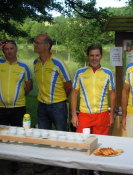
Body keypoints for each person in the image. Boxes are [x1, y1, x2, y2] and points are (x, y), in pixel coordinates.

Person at [33, 34, 72, 174]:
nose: (34, 45)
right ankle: (46, 162)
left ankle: (66, 163)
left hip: (58, 106)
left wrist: (60, 99)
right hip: (41, 105)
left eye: (37, 42)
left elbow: (68, 85)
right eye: (34, 42)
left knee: (62, 135)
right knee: (44, 136)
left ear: (47, 45)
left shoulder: (58, 62)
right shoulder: (35, 63)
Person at [0, 40, 33, 172]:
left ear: (16, 49)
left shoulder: (24, 66)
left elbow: (29, 86)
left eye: (12, 48)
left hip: (18, 107)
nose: (9, 51)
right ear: (3, 50)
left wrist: (19, 96)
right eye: (6, 49)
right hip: (1, 107)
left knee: (16, 134)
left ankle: (15, 160)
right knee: (1, 135)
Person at [71, 44, 116, 136]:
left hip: (102, 115)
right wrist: (74, 115)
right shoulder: (80, 73)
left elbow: (112, 94)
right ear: (88, 57)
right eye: (91, 55)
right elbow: (74, 94)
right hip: (84, 115)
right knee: (82, 144)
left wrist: (111, 116)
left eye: (97, 55)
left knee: (101, 145)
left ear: (101, 57)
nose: (94, 58)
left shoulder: (108, 73)